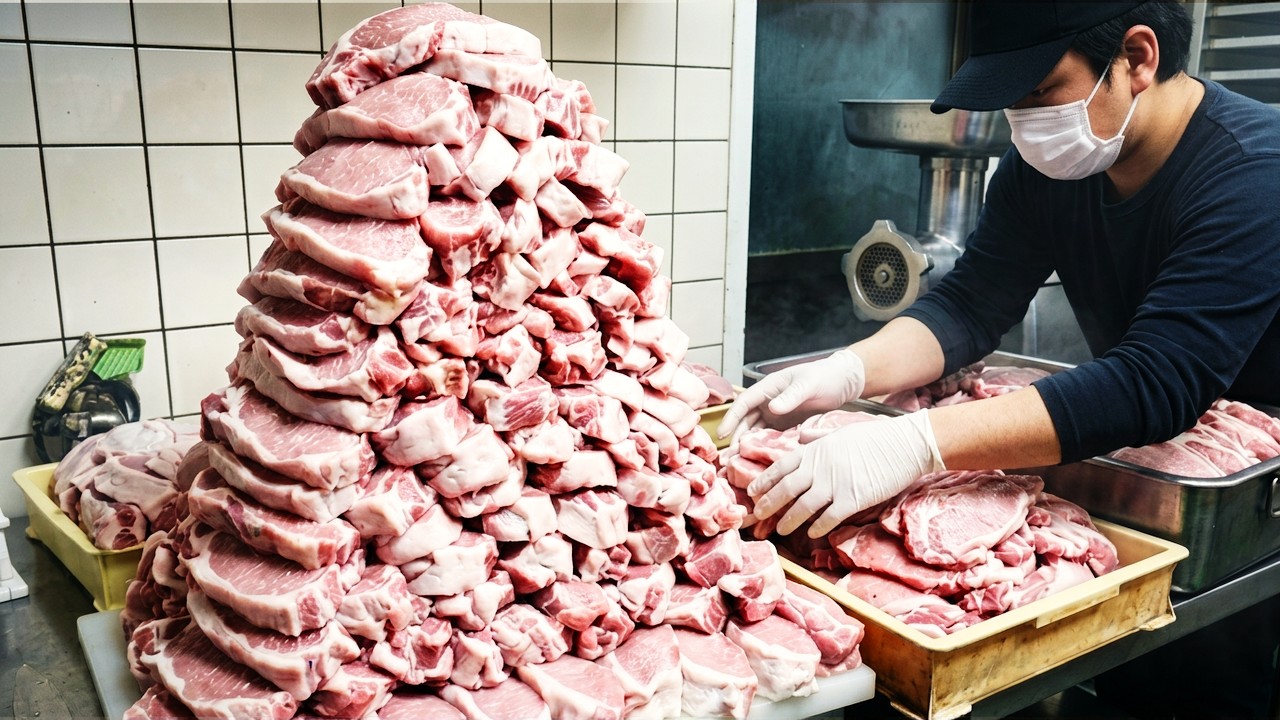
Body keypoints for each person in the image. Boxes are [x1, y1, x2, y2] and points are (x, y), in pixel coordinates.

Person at [720, 1, 1280, 717]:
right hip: (1150, 451)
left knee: (1196, 686)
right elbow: (970, 305)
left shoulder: (1253, 170)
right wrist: (847, 370)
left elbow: (1157, 381)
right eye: (1010, 101)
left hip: (1251, 487)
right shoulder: (1049, 170)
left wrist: (916, 444)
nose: (1025, 122)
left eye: (1041, 92)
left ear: (1137, 59)